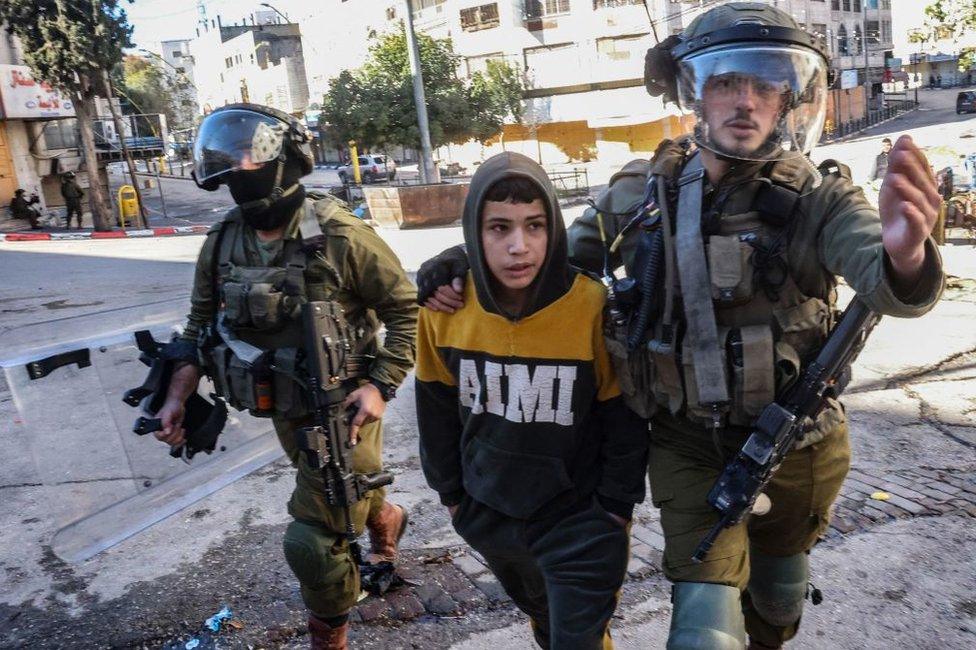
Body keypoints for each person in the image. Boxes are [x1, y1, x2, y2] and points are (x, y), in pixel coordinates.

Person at [415, 3, 945, 648]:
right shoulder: (641, 193)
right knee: (701, 628)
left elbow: (883, 274)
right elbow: (551, 267)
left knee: (777, 599)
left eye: (764, 86)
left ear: (787, 101)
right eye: (726, 83)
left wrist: (906, 256)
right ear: (696, 92)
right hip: (686, 441)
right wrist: (462, 264)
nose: (744, 102)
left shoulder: (820, 199)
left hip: (799, 443)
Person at [153, 103, 418, 649]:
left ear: (284, 159)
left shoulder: (339, 234)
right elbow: (197, 328)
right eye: (228, 161)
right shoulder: (224, 241)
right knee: (343, 498)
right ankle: (385, 515)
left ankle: (330, 638)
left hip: (347, 406)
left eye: (248, 154)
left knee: (315, 542)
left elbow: (406, 309)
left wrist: (381, 384)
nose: (237, 169)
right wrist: (176, 398)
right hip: (282, 405)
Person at [415, 153, 649, 649]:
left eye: (535, 226)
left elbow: (622, 419)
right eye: (499, 227)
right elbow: (435, 411)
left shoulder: (588, 306)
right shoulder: (445, 310)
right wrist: (455, 499)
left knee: (578, 637)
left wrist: (614, 507)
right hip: (489, 514)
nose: (518, 247)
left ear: (554, 230)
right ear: (474, 234)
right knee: (545, 618)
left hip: (581, 520)